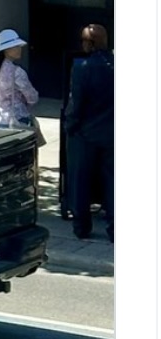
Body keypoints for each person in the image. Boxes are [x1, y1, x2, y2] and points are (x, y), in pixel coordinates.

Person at [63, 23, 114, 243]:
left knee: (80, 180)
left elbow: (76, 102)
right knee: (113, 180)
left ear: (89, 44)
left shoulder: (82, 67)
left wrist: (70, 125)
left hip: (85, 133)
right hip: (112, 133)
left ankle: (81, 225)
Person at [0, 28, 40, 134]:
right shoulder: (17, 72)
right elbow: (32, 97)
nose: (19, 49)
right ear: (6, 50)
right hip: (17, 119)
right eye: (16, 46)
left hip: (0, 119)